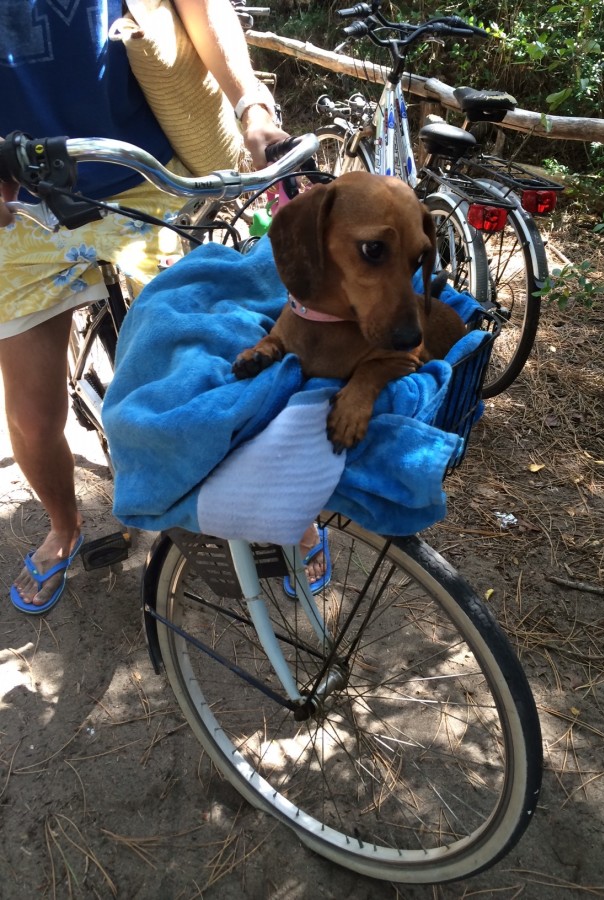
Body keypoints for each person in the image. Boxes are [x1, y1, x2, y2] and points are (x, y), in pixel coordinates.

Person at [0, 0, 325, 613]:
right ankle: (64, 526)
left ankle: (288, 515)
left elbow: (198, 7)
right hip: (18, 202)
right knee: (32, 414)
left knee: (215, 366)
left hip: (142, 177)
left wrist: (251, 103)